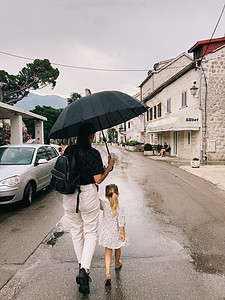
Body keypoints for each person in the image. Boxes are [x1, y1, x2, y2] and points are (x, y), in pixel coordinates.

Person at [63, 122, 115, 295]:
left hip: (69, 196)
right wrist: (109, 166)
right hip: (87, 195)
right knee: (91, 233)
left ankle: (83, 272)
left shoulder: (69, 150)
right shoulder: (93, 153)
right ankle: (84, 270)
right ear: (91, 136)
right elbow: (98, 179)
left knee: (77, 232)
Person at [99, 184, 128, 286]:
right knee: (118, 248)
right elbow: (121, 223)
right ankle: (117, 263)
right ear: (118, 194)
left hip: (107, 234)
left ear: (106, 196)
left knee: (108, 252)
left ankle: (107, 274)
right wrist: (122, 234)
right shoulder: (120, 207)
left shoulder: (105, 204)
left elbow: (97, 202)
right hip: (116, 233)